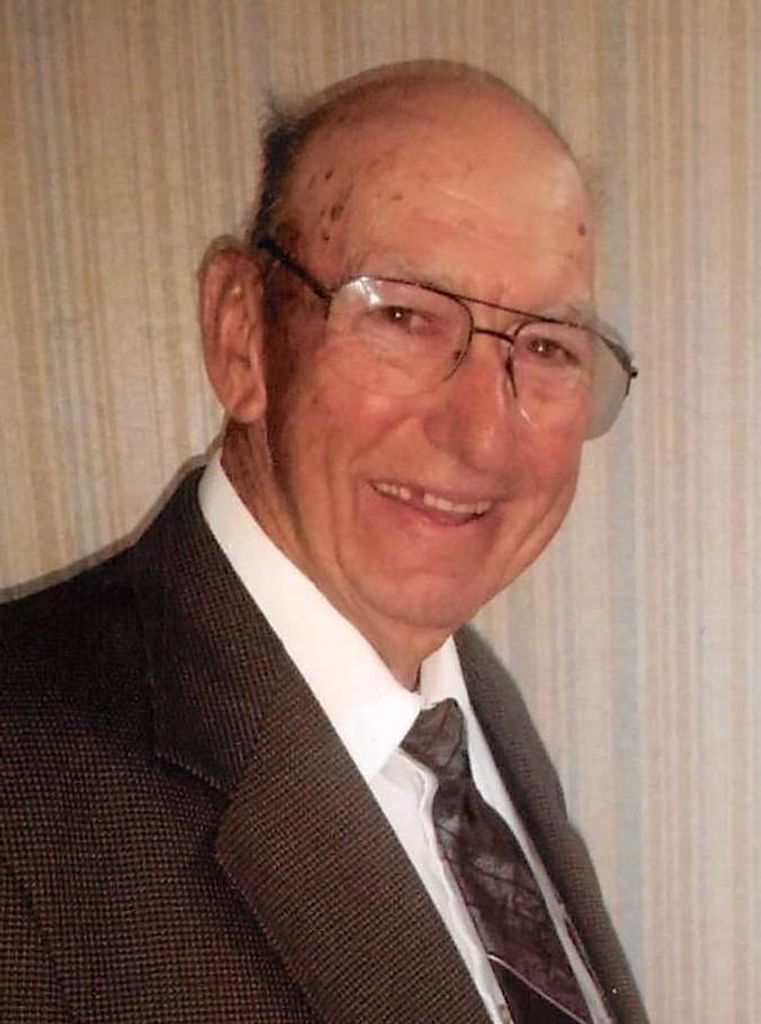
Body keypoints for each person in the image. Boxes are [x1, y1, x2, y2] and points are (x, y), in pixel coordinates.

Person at [0, 63, 647, 1023]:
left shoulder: (467, 711)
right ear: (241, 335)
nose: (482, 436)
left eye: (548, 345)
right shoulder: (21, 791)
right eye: (402, 315)